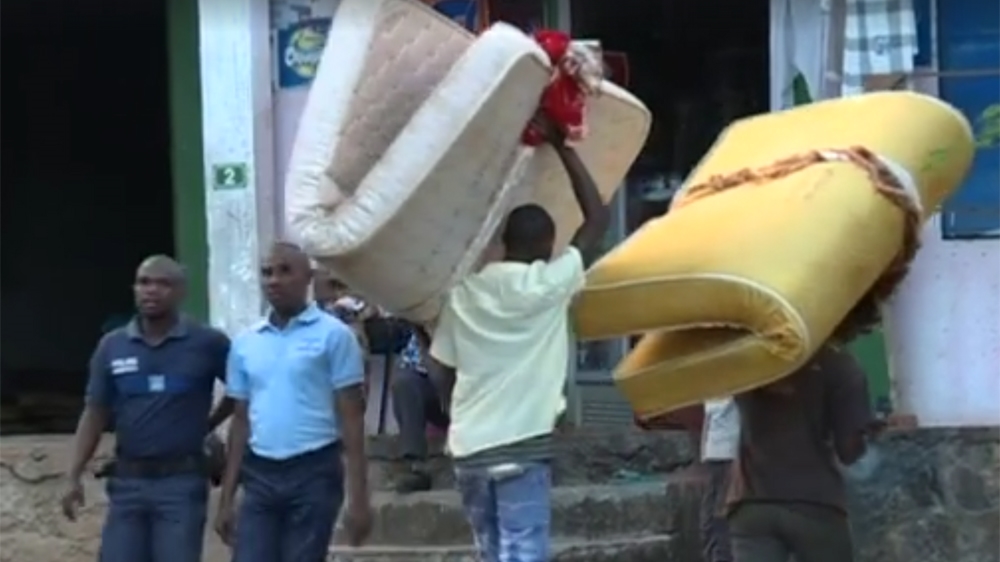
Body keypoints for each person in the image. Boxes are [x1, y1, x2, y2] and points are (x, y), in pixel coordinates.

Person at [426, 115, 611, 561]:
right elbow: (598, 218)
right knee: (524, 550)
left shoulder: (463, 295)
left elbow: (439, 366)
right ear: (549, 245)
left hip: (470, 446)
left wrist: (454, 413)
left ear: (504, 243)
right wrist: (562, 146)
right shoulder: (549, 285)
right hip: (523, 445)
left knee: (491, 551)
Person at [60, 255, 234, 562]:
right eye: (144, 282)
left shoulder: (207, 343)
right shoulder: (112, 346)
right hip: (128, 484)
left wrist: (209, 423)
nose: (151, 290)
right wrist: (73, 474)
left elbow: (241, 392)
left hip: (181, 485)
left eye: (163, 283)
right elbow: (95, 412)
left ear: (181, 292)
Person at [215, 242, 372, 561]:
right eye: (267, 272)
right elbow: (241, 422)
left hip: (314, 471)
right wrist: (226, 498)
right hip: (259, 472)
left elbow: (353, 420)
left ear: (308, 278)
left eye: (285, 271)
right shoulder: (246, 343)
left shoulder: (335, 336)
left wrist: (359, 498)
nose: (274, 280)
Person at [725, 298, 882, 562]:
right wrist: (870, 433)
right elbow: (849, 451)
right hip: (814, 501)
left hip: (750, 502)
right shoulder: (842, 366)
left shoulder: (748, 362)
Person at [391, 324, 450, 493]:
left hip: (476, 392)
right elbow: (411, 363)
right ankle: (414, 466)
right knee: (405, 382)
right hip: (438, 394)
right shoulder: (423, 319)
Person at [700, 398, 738, 562]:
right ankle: (721, 555)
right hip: (729, 452)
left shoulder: (710, 394)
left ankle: (711, 551)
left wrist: (703, 451)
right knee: (722, 506)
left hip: (713, 451)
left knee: (711, 502)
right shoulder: (736, 394)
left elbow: (706, 425)